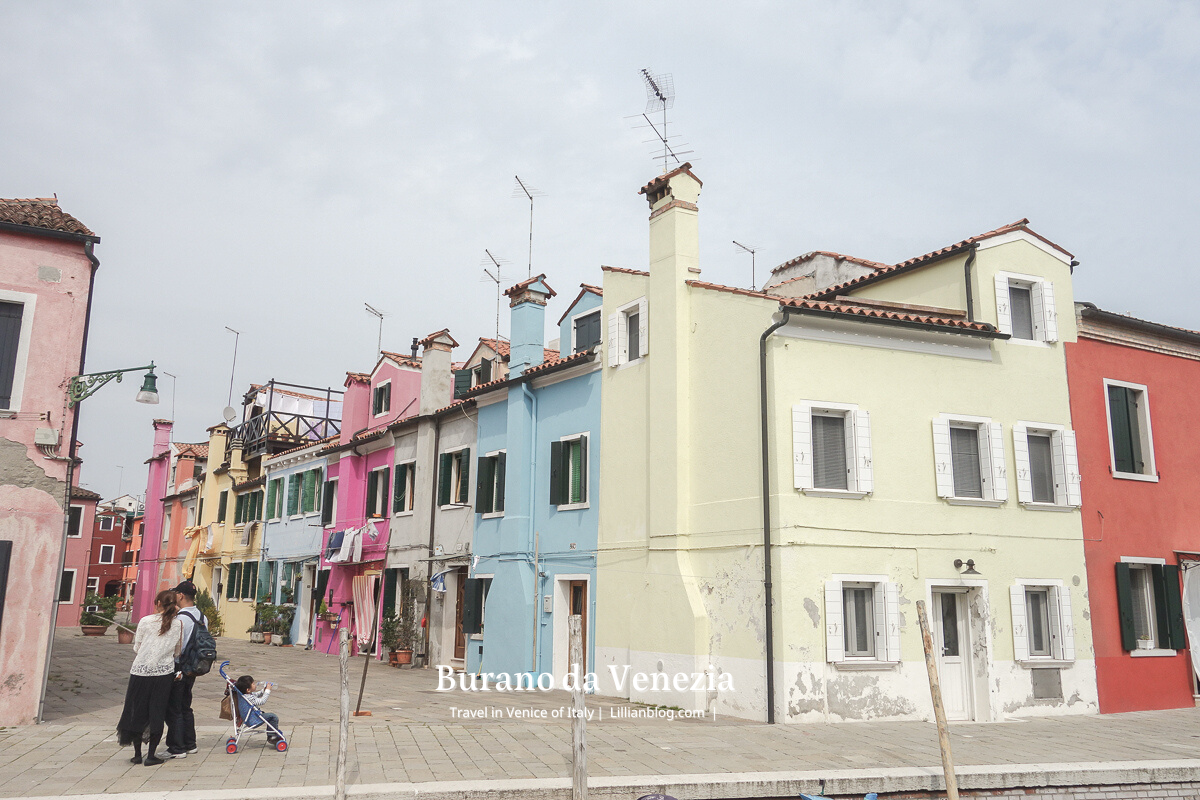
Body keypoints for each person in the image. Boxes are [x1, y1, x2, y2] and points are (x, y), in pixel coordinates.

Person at [117, 590, 182, 766]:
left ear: (158, 603)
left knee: (136, 711)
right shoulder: (178, 624)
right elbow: (177, 651)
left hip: (140, 672)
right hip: (163, 674)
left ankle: (137, 754)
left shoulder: (145, 621)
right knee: (157, 712)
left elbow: (137, 647)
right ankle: (151, 755)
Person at [165, 580, 204, 758]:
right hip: (193, 668)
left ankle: (177, 747)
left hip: (179, 667)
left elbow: (175, 647)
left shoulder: (180, 619)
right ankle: (190, 743)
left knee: (174, 708)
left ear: (180, 595)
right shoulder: (202, 616)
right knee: (186, 705)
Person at [233, 675, 283, 743]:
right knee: (273, 717)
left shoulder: (244, 695)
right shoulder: (249, 698)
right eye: (253, 684)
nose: (255, 684)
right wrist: (268, 691)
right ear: (248, 689)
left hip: (250, 717)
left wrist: (263, 690)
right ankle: (272, 736)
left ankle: (273, 733)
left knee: (268, 716)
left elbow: (256, 694)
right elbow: (262, 701)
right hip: (253, 719)